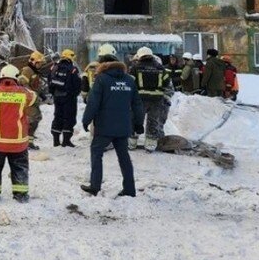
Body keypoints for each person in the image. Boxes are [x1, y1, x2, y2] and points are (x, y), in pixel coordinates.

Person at [80, 51, 144, 197]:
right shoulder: (129, 80)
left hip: (104, 126)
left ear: (103, 66)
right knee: (124, 157)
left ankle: (95, 185)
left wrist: (86, 120)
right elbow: (137, 103)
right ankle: (129, 188)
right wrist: (139, 123)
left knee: (96, 152)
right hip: (123, 126)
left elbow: (93, 102)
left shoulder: (101, 79)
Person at [0, 64, 37, 202]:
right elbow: (34, 97)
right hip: (19, 143)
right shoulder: (24, 93)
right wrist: (22, 84)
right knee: (20, 168)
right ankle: (21, 195)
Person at [131, 47, 173, 152]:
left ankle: (131, 143)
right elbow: (167, 83)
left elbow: (130, 83)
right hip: (157, 100)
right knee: (153, 121)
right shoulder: (160, 68)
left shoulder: (135, 68)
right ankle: (150, 145)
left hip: (140, 100)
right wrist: (165, 97)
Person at [49, 49, 81, 148]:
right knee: (69, 118)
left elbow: (49, 81)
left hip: (57, 97)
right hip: (69, 98)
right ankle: (66, 141)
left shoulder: (54, 67)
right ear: (70, 58)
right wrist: (73, 94)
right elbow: (77, 84)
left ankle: (56, 141)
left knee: (57, 116)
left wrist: (54, 93)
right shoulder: (73, 69)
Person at [20, 52, 45, 149]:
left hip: (33, 100)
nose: (40, 65)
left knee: (35, 119)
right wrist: (32, 95)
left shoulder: (34, 71)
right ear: (34, 62)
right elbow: (23, 84)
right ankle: (27, 143)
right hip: (29, 101)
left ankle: (28, 141)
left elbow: (35, 86)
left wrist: (41, 95)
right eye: (39, 63)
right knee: (32, 120)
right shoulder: (27, 70)